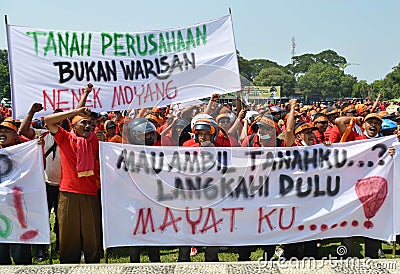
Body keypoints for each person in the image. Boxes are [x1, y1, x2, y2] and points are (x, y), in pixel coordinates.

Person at [44, 106, 102, 264]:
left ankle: (94, 266)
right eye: (84, 123)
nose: (88, 126)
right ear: (73, 126)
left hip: (90, 193)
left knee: (93, 235)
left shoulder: (94, 141)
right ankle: (68, 266)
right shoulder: (64, 138)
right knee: (69, 234)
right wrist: (76, 112)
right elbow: (48, 121)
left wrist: (81, 110)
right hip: (68, 193)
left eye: (91, 123)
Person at [125, 118, 161, 263]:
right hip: (133, 199)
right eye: (144, 135)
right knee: (135, 232)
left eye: (149, 134)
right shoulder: (125, 151)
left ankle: (156, 262)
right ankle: (134, 262)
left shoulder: (157, 151)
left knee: (154, 230)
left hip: (152, 198)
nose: (149, 137)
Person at [0, 120, 32, 265]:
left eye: (6, 131)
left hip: (17, 207)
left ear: (15, 135)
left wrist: (27, 142)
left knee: (19, 243)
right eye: (0, 131)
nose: (2, 133)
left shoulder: (23, 150)